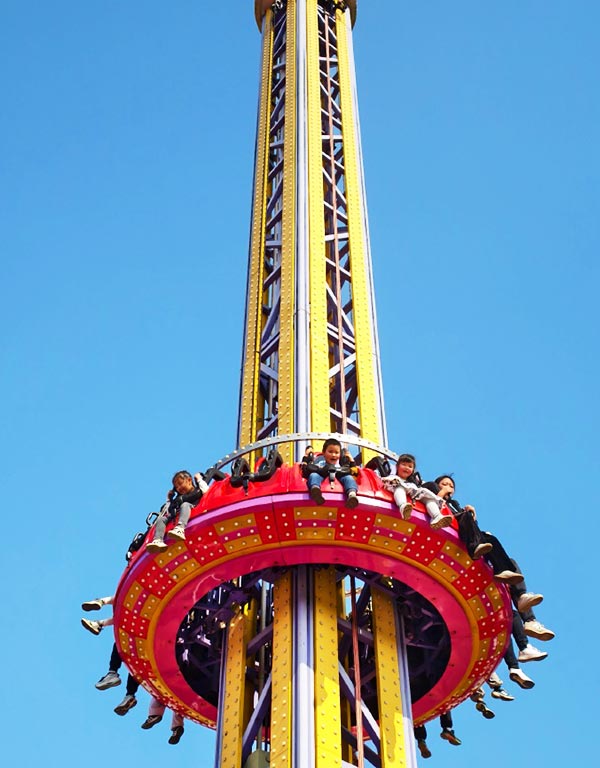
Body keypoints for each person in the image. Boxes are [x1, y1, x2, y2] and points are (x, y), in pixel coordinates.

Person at [382, 454, 452, 529]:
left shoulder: (412, 484)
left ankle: (437, 516)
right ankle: (403, 506)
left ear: (413, 470)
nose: (406, 468)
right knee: (400, 488)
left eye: (410, 466)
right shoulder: (393, 478)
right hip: (399, 486)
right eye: (404, 464)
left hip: (413, 493)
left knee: (429, 498)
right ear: (397, 466)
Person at [147, 470, 208, 552]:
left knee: (185, 504)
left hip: (194, 508)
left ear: (189, 480)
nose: (179, 488)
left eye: (180, 484)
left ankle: (180, 528)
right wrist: (169, 499)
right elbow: (168, 511)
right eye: (176, 487)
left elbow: (206, 491)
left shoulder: (197, 490)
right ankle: (158, 540)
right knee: (161, 519)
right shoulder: (178, 499)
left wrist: (199, 479)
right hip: (177, 515)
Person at [303, 438, 359, 509]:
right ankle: (315, 490)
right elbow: (306, 469)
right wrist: (306, 457)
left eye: (336, 453)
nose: (333, 455)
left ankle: (352, 495)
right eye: (330, 452)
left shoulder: (341, 465)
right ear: (324, 452)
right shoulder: (320, 463)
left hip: (339, 477)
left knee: (349, 478)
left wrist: (351, 459)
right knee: (314, 475)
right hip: (322, 476)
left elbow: (354, 471)